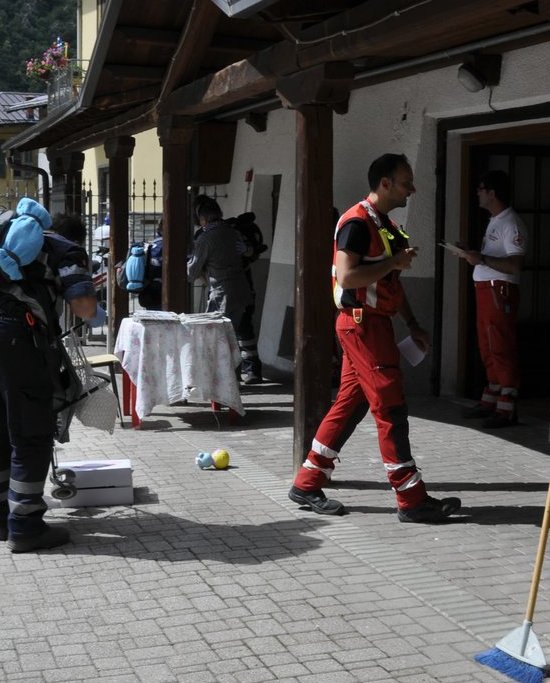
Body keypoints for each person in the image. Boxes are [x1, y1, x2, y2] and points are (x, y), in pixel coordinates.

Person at [288, 153, 461, 523]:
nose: (411, 189)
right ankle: (412, 499)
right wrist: (394, 263)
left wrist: (412, 322)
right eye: (405, 182)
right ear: (384, 184)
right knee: (391, 408)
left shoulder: (384, 224)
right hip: (362, 326)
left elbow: (390, 284)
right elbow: (348, 278)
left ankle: (307, 482)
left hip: (372, 325)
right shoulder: (356, 223)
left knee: (351, 405)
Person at [0, 203, 98, 552]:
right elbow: (85, 308)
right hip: (11, 334)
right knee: (30, 428)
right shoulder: (65, 249)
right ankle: (26, 526)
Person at [455, 169, 527, 427]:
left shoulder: (510, 223)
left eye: (481, 188)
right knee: (487, 345)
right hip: (486, 289)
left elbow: (515, 265)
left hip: (499, 290)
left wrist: (481, 259)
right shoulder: (495, 220)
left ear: (492, 193)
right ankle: (493, 398)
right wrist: (472, 255)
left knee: (500, 344)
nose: (477, 193)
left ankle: (507, 406)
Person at [187, 197, 260, 382]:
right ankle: (234, 381)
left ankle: (220, 383)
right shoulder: (233, 232)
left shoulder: (204, 239)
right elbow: (249, 252)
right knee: (232, 338)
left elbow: (191, 272)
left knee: (216, 340)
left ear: (203, 219)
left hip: (222, 294)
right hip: (241, 291)